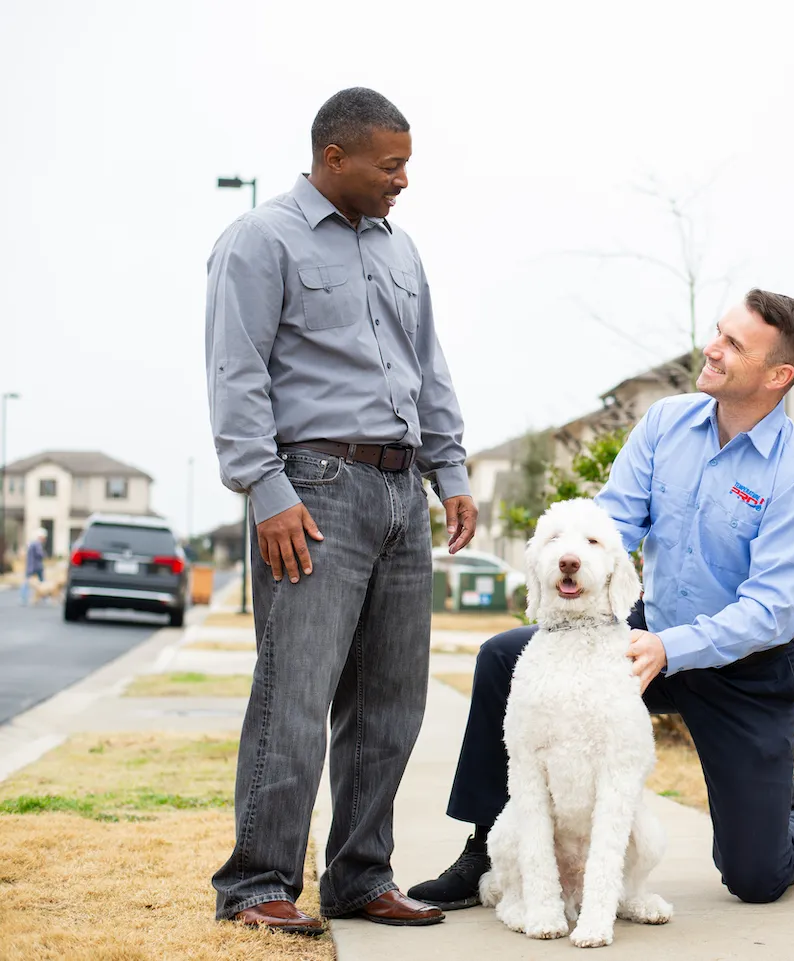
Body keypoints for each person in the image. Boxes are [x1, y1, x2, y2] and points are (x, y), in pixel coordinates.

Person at [409, 289, 794, 911]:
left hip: (743, 668)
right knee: (506, 659)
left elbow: (769, 609)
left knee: (756, 878)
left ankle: (792, 807)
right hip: (637, 641)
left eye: (733, 345)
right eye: (719, 332)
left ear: (778, 376)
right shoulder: (665, 423)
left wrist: (671, 648)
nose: (711, 349)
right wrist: (568, 561)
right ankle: (487, 847)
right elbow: (613, 528)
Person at [205, 87, 477, 935]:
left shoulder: (401, 252)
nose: (403, 180)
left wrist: (451, 468)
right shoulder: (260, 240)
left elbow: (426, 367)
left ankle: (359, 875)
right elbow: (235, 370)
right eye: (390, 164)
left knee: (392, 699)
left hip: (402, 492)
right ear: (336, 158)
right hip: (314, 490)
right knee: (296, 693)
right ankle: (256, 885)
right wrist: (266, 488)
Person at [21, 529, 46, 606]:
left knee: (29, 582)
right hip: (36, 567)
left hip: (31, 566)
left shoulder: (32, 543)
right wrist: (44, 554)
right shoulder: (37, 544)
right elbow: (40, 554)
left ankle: (25, 597)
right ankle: (43, 597)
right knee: (40, 582)